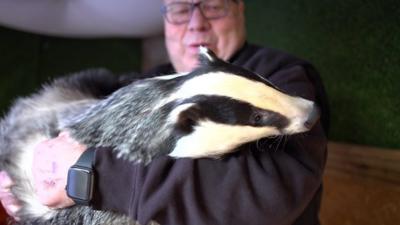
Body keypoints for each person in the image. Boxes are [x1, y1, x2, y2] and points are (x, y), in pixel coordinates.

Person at [0, 0, 330, 224]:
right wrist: (19, 174)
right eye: (179, 9)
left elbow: (266, 196)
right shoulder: (144, 82)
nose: (196, 23)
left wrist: (89, 173)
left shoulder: (283, 77)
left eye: (214, 6)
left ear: (239, 8)